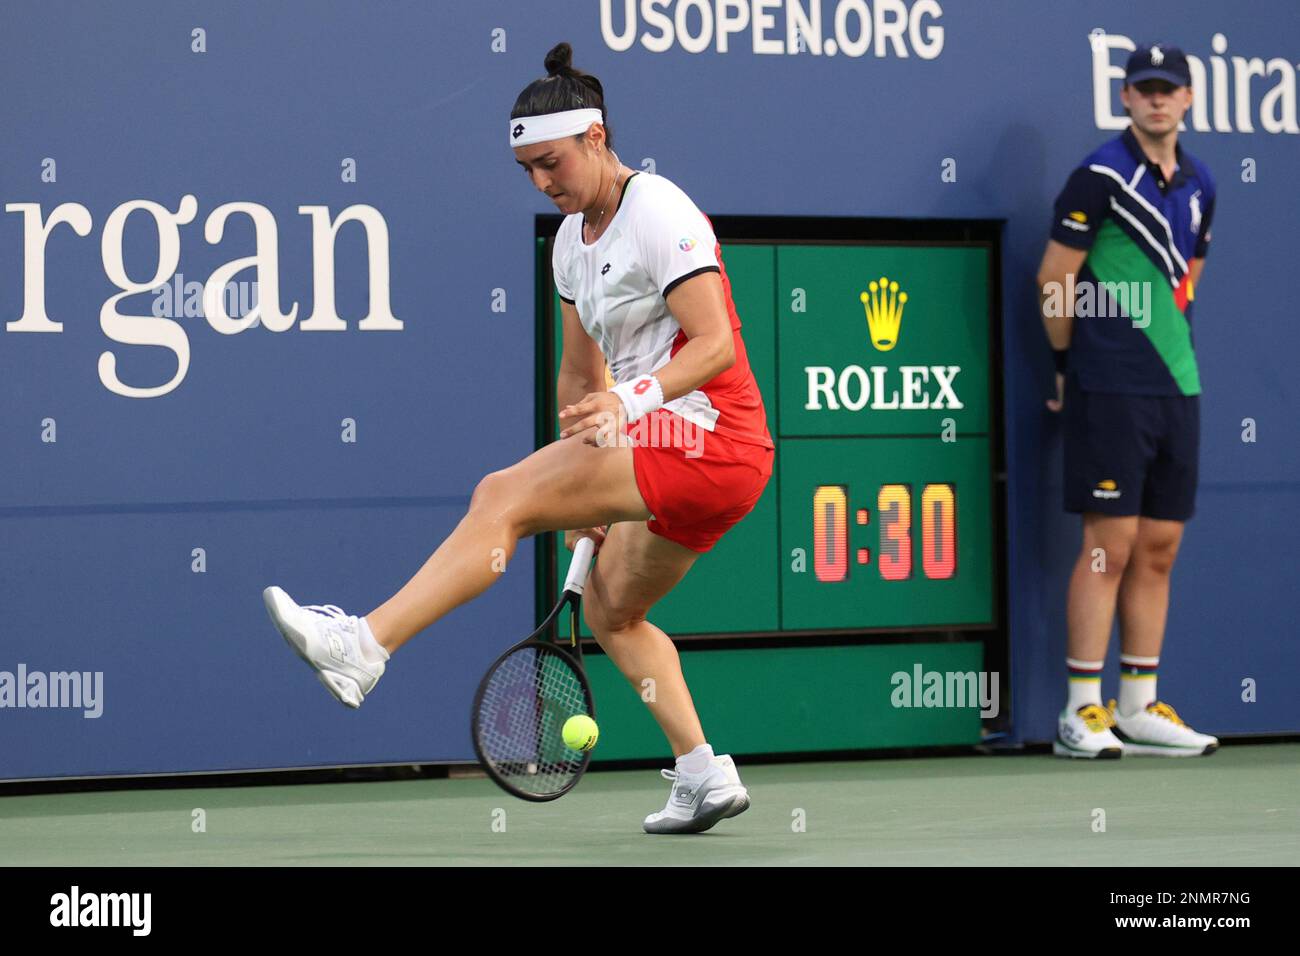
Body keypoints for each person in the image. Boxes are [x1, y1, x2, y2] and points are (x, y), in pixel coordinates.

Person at [263, 42, 777, 832]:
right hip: (687, 456)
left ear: (596, 137)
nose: (541, 182)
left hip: (710, 434)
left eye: (552, 162)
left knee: (499, 496)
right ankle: (703, 774)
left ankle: (364, 646)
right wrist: (585, 484)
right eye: (527, 170)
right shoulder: (570, 245)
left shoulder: (659, 210)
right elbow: (579, 376)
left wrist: (627, 405)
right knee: (611, 614)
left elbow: (715, 348)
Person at [1037, 43, 1218, 758]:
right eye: (1145, 89)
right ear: (1125, 98)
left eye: (1169, 89)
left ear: (1188, 98)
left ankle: (1138, 706)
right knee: (1107, 546)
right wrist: (1065, 364)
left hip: (1177, 385)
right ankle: (1081, 710)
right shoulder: (1100, 177)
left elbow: (1189, 275)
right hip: (1108, 383)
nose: (1157, 99)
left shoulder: (1202, 183)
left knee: (1160, 545)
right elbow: (1055, 278)